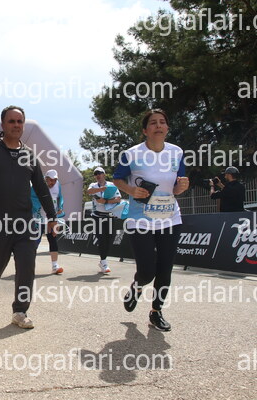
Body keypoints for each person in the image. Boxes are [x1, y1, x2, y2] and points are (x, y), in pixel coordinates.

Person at [0, 105, 57, 329]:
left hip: (24, 223)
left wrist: (52, 215)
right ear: (2, 125)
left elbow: (41, 188)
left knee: (27, 265)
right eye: (11, 121)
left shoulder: (29, 155)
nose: (16, 125)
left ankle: (20, 311)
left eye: (19, 121)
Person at [113, 109, 189, 332]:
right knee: (147, 271)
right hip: (140, 220)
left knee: (165, 269)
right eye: (153, 123)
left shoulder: (176, 152)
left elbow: (178, 184)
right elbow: (117, 178)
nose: (158, 125)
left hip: (170, 218)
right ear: (145, 130)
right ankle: (137, 286)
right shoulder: (131, 154)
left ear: (167, 128)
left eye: (162, 122)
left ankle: (156, 312)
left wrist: (181, 187)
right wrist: (131, 190)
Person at [87, 166, 122, 274]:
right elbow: (89, 191)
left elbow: (118, 199)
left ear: (104, 174)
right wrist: (101, 189)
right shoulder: (93, 185)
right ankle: (104, 262)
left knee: (110, 239)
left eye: (100, 173)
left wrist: (106, 201)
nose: (98, 175)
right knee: (102, 239)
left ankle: (103, 261)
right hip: (98, 216)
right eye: (96, 174)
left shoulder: (111, 185)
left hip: (110, 216)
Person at [31, 169, 65, 274]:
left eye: (54, 180)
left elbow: (60, 198)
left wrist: (60, 208)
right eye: (50, 180)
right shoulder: (38, 184)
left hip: (51, 218)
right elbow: (31, 199)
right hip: (38, 217)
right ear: (45, 179)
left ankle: (55, 266)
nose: (52, 183)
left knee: (53, 239)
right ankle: (29, 265)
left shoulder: (58, 185)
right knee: (35, 242)